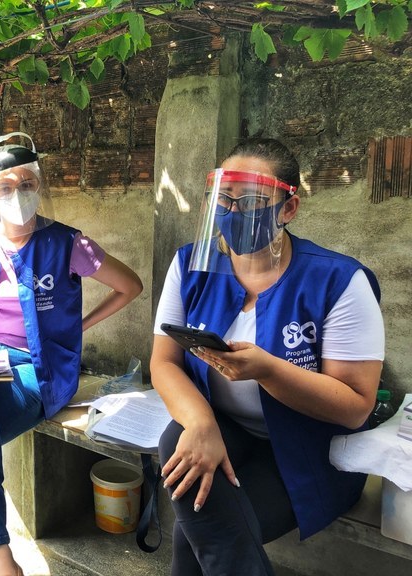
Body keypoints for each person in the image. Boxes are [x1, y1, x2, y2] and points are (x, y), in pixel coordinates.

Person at [150, 137, 385, 575]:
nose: (233, 211)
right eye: (224, 198)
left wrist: (269, 371)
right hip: (231, 430)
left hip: (309, 447)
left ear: (288, 208)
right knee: (177, 443)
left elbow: (355, 406)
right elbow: (163, 362)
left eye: (252, 200)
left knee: (197, 534)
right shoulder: (190, 266)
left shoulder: (338, 281)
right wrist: (201, 423)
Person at [0, 132, 143, 576]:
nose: (17, 194)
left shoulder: (68, 243)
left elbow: (130, 286)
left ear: (39, 184)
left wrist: (77, 327)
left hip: (38, 368)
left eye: (26, 183)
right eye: (4, 186)